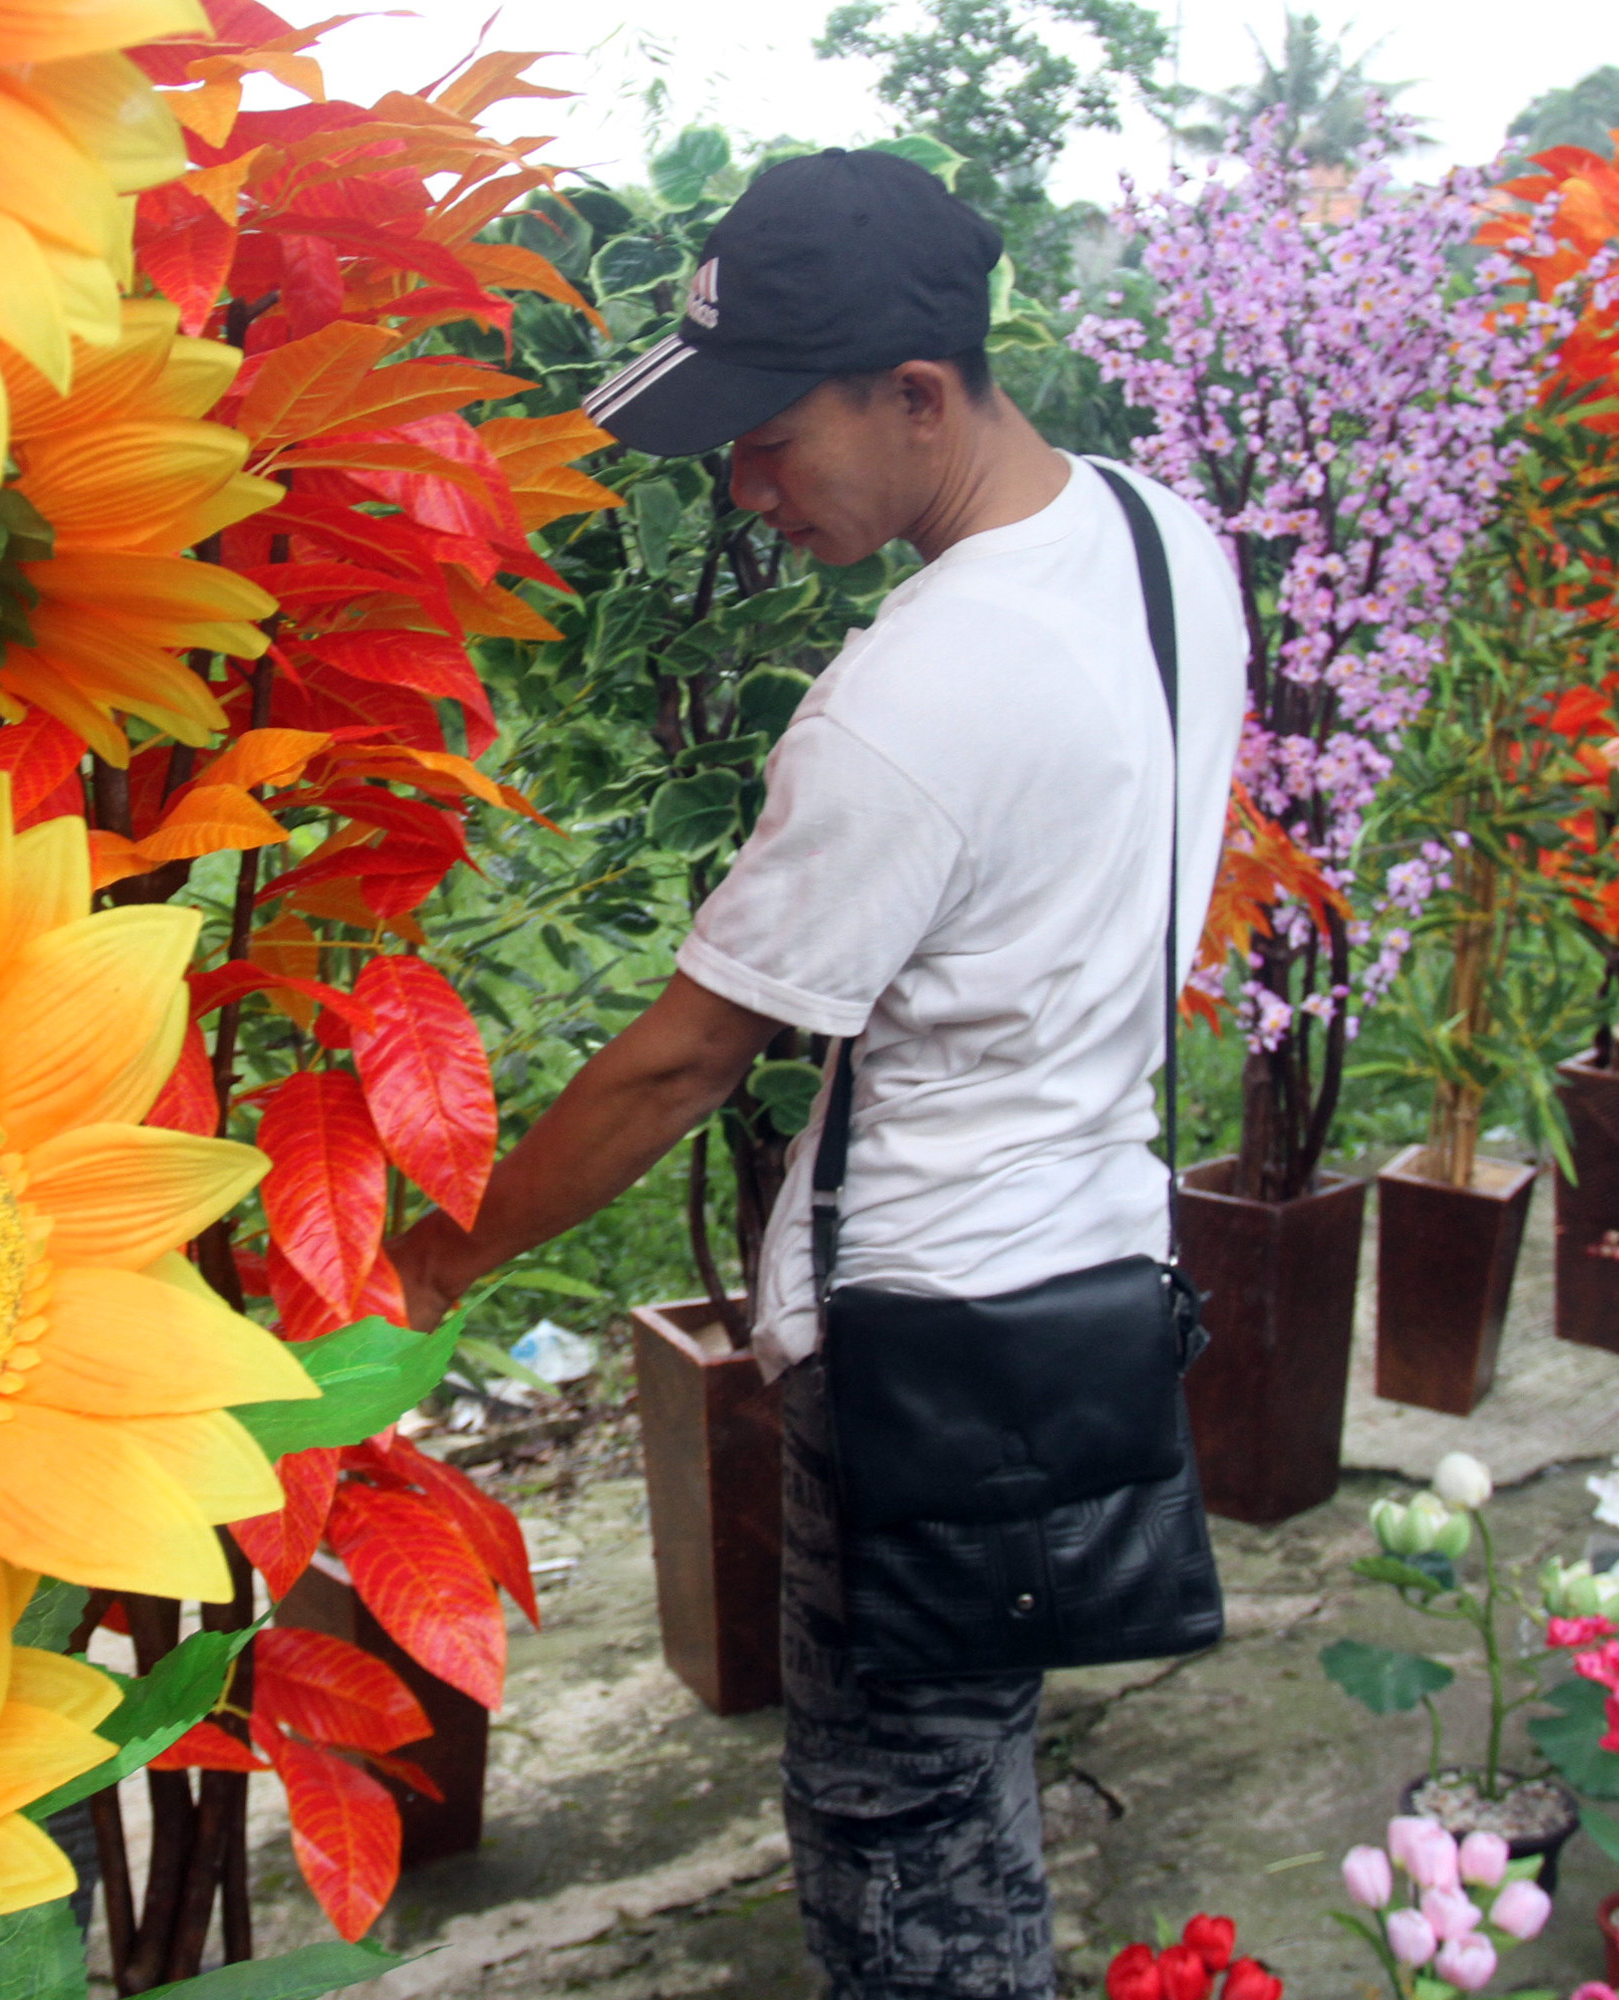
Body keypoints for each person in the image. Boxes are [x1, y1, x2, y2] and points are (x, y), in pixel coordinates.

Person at [384, 148, 1248, 1999]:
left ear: (917, 396)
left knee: (893, 1833)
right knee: (977, 1746)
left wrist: (440, 1259)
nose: (745, 490)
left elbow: (685, 1062)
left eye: (769, 440)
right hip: (1092, 1277)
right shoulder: (1164, 538)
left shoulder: (918, 695)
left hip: (925, 1344)